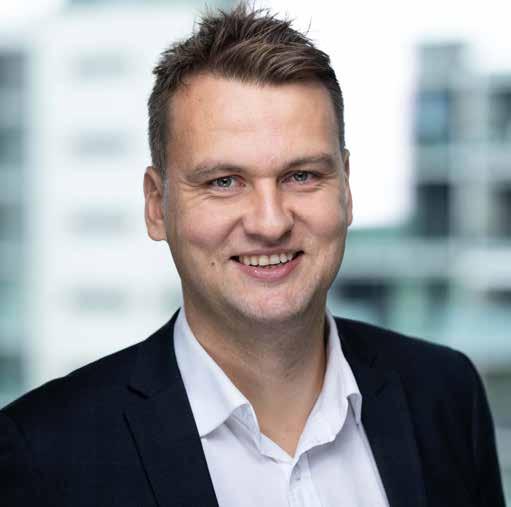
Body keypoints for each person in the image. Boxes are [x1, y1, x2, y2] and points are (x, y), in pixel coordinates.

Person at [0, 5, 506, 506]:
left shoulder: (445, 395)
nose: (270, 222)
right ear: (157, 206)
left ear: (346, 188)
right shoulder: (42, 453)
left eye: (302, 176)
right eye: (224, 181)